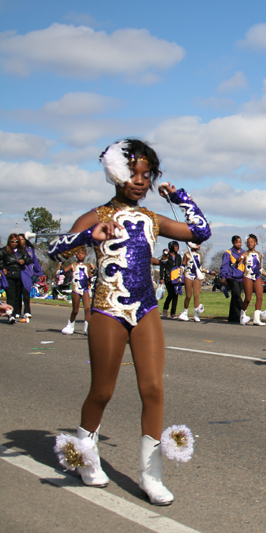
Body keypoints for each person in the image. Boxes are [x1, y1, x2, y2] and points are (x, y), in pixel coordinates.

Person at [48, 139, 209, 504]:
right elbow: (56, 247)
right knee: (102, 391)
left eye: (146, 174)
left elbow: (200, 233)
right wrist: (90, 235)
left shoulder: (152, 219)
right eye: (133, 173)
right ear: (116, 174)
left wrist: (181, 196)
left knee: (153, 389)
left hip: (146, 308)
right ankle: (84, 457)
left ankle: (151, 475)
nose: (140, 181)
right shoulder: (98, 215)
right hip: (107, 309)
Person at [60, 246, 94, 335]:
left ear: (85, 255)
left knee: (87, 308)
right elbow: (62, 272)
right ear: (75, 254)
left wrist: (93, 272)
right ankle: (70, 325)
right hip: (75, 289)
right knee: (75, 310)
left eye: (82, 253)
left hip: (85, 289)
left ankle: (87, 328)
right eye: (78, 253)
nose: (80, 255)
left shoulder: (87, 266)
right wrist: (61, 265)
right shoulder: (73, 265)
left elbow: (90, 277)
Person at [0, 233, 32, 324]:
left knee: (18, 295)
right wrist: (3, 267)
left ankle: (16, 312)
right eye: (12, 241)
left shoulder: (22, 251)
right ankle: (10, 315)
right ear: (9, 242)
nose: (14, 243)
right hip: (9, 275)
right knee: (11, 295)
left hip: (19, 275)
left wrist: (24, 261)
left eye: (16, 241)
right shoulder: (4, 250)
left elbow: (29, 260)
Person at [238, 234, 266, 326]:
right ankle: (242, 315)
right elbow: (240, 259)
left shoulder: (259, 254)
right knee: (248, 298)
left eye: (251, 242)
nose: (249, 244)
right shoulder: (245, 254)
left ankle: (256, 319)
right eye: (248, 242)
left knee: (260, 296)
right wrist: (240, 259)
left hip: (257, 276)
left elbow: (259, 268)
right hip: (247, 276)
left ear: (255, 243)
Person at [177, 242, 210, 322]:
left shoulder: (200, 255)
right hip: (188, 275)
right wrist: (179, 276)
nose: (199, 246)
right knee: (188, 296)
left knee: (196, 295)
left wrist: (209, 271)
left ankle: (196, 314)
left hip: (196, 276)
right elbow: (183, 266)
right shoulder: (187, 254)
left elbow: (200, 267)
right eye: (197, 244)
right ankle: (185, 312)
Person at [220, 235, 247, 324]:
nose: (239, 244)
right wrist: (223, 277)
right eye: (236, 242)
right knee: (237, 295)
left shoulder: (244, 253)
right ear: (233, 243)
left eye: (240, 242)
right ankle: (241, 315)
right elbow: (224, 266)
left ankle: (232, 317)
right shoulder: (228, 253)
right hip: (231, 277)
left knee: (235, 298)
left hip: (241, 278)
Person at [18, 234, 44, 322]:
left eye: (22, 239)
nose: (20, 241)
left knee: (26, 292)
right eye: (19, 239)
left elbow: (35, 261)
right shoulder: (15, 250)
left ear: (25, 240)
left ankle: (27, 311)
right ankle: (17, 311)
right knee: (17, 293)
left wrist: (39, 273)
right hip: (17, 273)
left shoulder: (30, 250)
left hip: (27, 273)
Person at [159, 241, 182, 319]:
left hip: (176, 278)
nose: (177, 248)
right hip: (168, 278)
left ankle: (173, 313)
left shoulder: (179, 257)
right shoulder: (166, 256)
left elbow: (180, 267)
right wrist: (161, 277)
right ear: (171, 247)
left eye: (177, 246)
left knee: (176, 295)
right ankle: (165, 308)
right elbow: (162, 267)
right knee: (171, 294)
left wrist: (180, 277)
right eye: (175, 246)